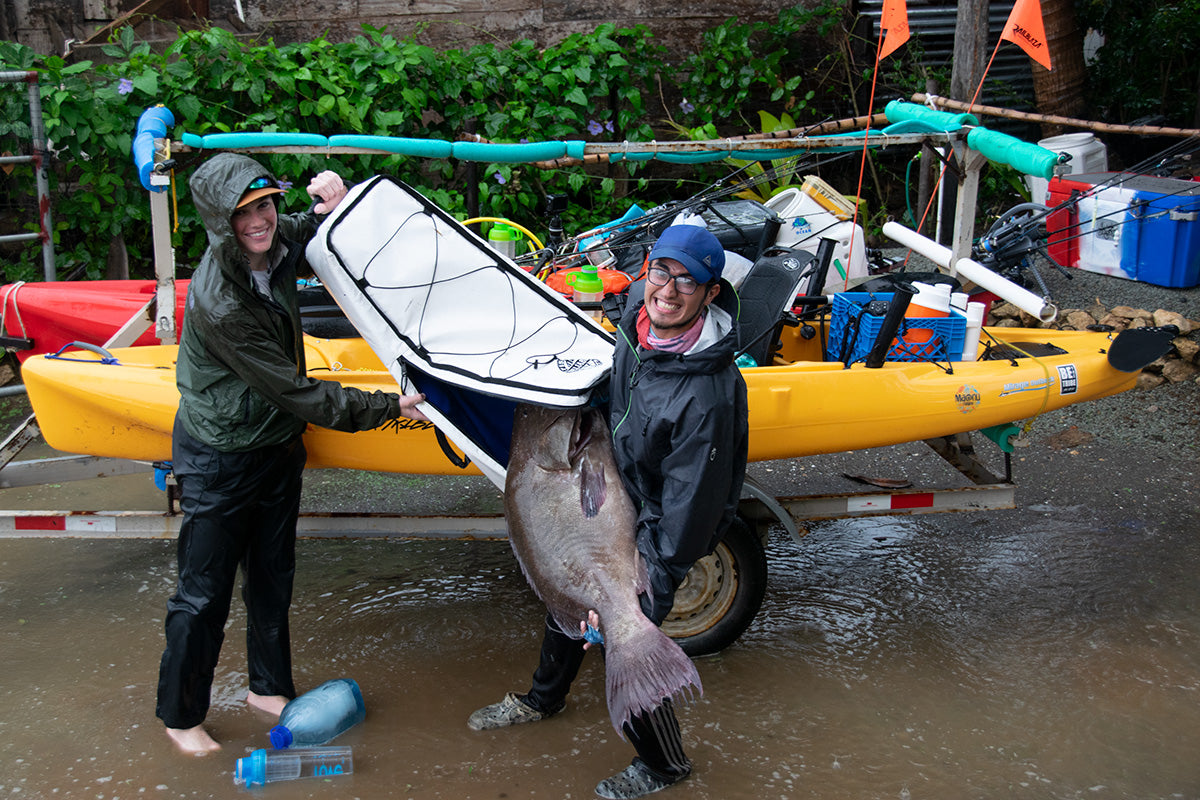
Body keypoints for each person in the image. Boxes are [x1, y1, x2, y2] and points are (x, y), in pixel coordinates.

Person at [156, 153, 428, 754]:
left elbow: (312, 227)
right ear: (218, 222)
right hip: (219, 454)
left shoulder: (276, 240)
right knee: (203, 594)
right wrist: (389, 407)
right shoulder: (219, 302)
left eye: (267, 205)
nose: (261, 221)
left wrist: (335, 201)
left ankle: (266, 687)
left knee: (273, 577)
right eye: (244, 213)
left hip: (277, 447)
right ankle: (180, 716)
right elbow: (298, 391)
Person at [468, 224, 749, 799]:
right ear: (647, 268)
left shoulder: (710, 396)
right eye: (661, 272)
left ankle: (664, 764)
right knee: (567, 595)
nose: (668, 291)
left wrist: (645, 583)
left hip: (659, 531)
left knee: (623, 627)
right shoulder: (636, 331)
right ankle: (543, 699)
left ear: (710, 293)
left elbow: (690, 512)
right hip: (614, 494)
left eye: (687, 282)